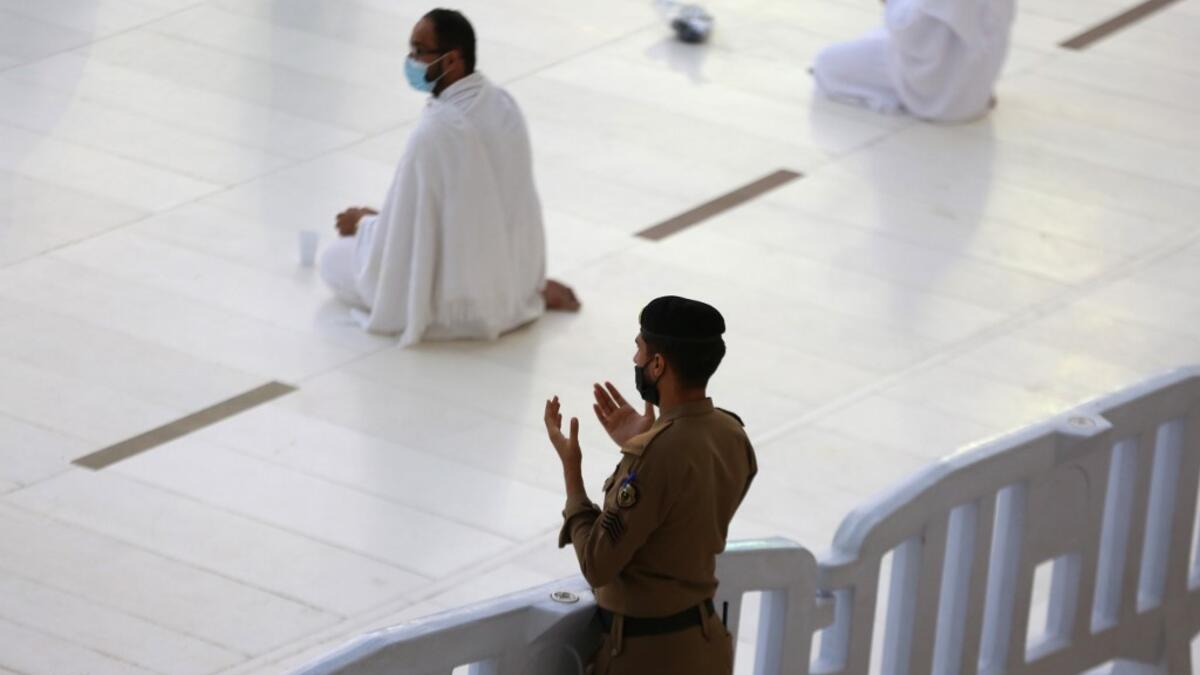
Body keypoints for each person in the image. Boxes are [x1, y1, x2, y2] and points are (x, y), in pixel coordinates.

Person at [320, 8, 579, 346]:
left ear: (452, 60)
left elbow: (401, 242)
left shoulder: (435, 132)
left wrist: (366, 224)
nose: (411, 60)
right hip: (511, 283)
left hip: (453, 302)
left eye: (418, 50)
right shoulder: (502, 104)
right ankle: (521, 290)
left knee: (332, 259)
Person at [543, 296, 757, 675]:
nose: (635, 360)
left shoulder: (654, 456)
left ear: (658, 365)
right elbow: (686, 520)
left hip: (647, 658)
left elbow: (597, 565)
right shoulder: (731, 433)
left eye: (640, 349)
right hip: (705, 647)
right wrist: (652, 438)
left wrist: (572, 473)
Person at [810, 0, 1015, 122]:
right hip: (975, 82)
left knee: (827, 65)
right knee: (874, 37)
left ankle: (904, 99)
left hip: (941, 93)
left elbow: (909, 29)